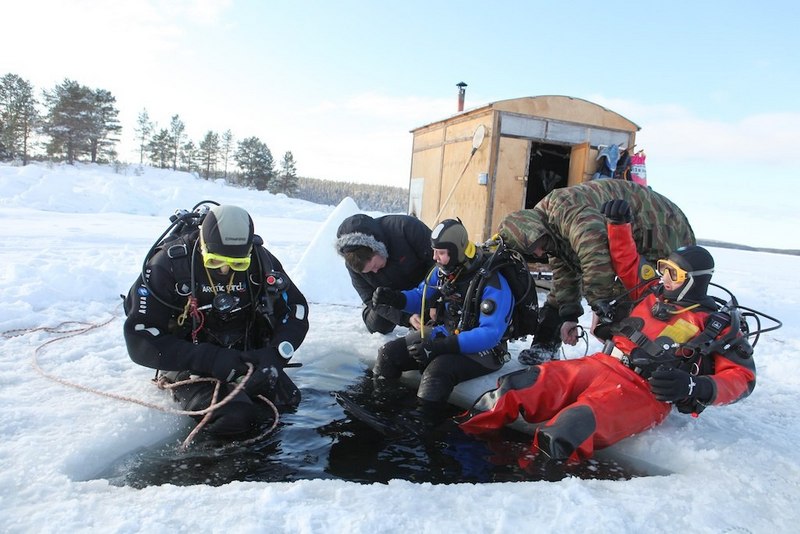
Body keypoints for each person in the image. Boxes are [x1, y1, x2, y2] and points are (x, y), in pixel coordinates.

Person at [458, 199, 756, 461]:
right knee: (516, 387)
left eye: (673, 274)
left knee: (569, 428)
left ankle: (531, 484)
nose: (664, 277)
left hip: (642, 390)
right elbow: (627, 261)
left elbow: (742, 378)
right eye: (664, 268)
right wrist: (618, 224)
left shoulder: (715, 323)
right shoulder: (650, 291)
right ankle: (460, 447)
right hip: (601, 364)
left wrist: (694, 387)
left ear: (695, 279)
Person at [123, 204, 309, 436]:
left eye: (237, 264)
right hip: (189, 362)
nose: (224, 270)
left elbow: (296, 309)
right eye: (214, 261)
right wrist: (209, 359)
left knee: (287, 401)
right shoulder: (168, 265)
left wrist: (275, 354)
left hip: (246, 358)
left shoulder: (261, 260)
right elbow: (139, 337)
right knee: (234, 417)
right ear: (202, 245)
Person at [499, 179, 695, 365]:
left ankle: (649, 353)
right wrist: (569, 316)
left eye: (537, 245)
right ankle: (545, 345)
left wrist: (601, 304)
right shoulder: (548, 228)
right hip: (628, 230)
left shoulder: (568, 211)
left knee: (643, 293)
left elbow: (596, 257)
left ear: (537, 230)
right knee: (574, 294)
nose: (539, 253)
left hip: (659, 227)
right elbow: (564, 276)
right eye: (532, 251)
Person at [370, 218, 514, 429]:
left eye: (441, 252)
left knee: (437, 372)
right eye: (434, 251)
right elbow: (421, 297)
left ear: (457, 251)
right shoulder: (442, 272)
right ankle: (383, 408)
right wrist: (395, 298)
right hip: (448, 333)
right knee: (388, 353)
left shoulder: (493, 282)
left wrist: (438, 347)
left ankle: (422, 426)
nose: (434, 257)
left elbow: (490, 334)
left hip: (486, 350)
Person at [336, 213, 434, 334]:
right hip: (389, 297)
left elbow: (437, 262)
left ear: (377, 248)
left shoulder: (406, 228)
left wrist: (433, 298)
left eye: (374, 266)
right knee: (378, 326)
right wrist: (407, 317)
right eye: (369, 272)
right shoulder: (353, 267)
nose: (375, 271)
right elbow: (369, 298)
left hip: (423, 285)